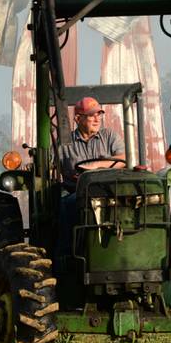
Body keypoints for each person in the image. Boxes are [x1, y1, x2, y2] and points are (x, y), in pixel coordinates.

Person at [56, 97, 125, 271]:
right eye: (91, 115)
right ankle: (68, 256)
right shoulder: (64, 144)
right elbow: (49, 163)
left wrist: (97, 165)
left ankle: (120, 249)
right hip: (76, 192)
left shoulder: (109, 136)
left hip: (108, 191)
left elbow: (123, 159)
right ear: (78, 119)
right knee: (65, 204)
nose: (97, 119)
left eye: (99, 115)